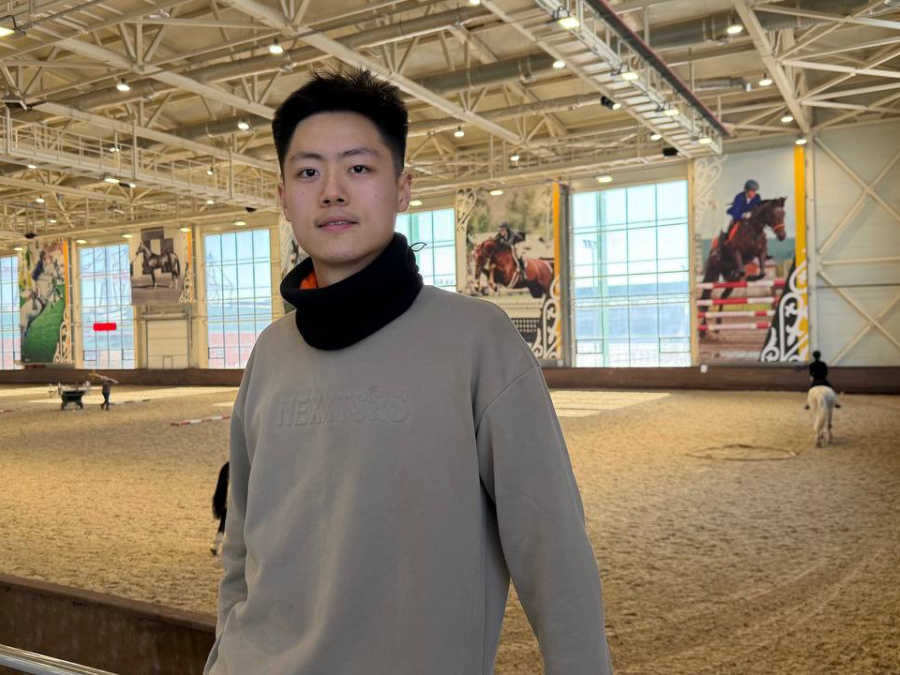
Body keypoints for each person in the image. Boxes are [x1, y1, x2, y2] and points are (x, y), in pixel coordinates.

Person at [203, 70, 611, 674]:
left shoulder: (478, 340)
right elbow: (241, 543)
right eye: (308, 172)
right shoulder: (270, 353)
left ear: (402, 188)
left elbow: (552, 548)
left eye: (358, 168)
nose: (332, 191)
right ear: (284, 197)